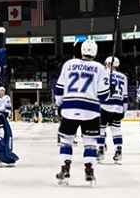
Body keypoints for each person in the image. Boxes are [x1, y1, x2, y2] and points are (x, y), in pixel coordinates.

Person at [54, 40, 110, 186]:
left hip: (69, 108)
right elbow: (104, 96)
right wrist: (112, 89)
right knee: (90, 143)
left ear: (82, 50)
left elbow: (59, 88)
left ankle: (65, 169)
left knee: (66, 141)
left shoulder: (68, 64)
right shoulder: (100, 68)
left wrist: (59, 104)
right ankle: (89, 170)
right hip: (90, 110)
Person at [97, 56, 128, 165]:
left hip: (105, 105)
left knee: (101, 129)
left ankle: (100, 150)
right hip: (118, 106)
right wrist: (124, 109)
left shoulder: (103, 73)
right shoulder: (123, 77)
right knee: (116, 130)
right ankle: (118, 150)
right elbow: (125, 96)